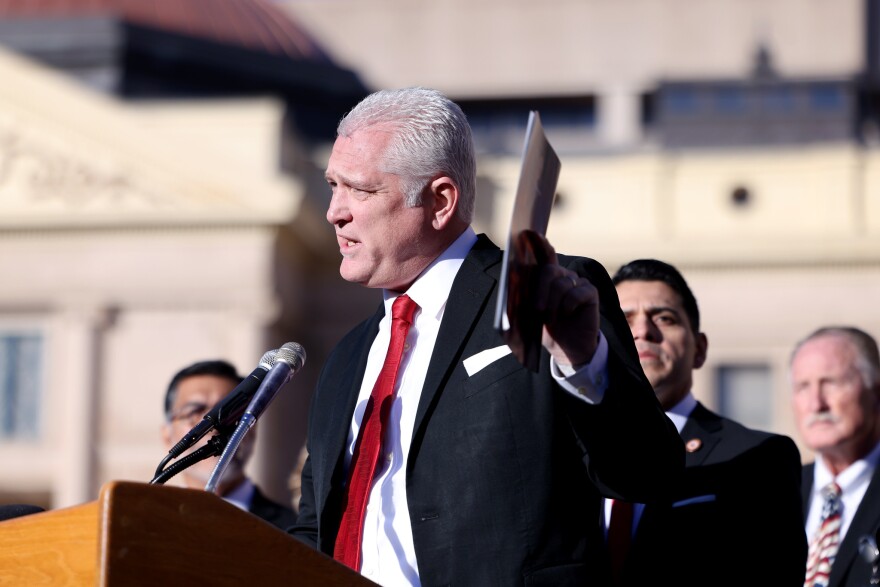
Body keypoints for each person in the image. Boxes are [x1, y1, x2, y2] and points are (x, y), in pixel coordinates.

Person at [288, 86, 684, 586]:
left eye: (360, 190)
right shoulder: (348, 355)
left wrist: (584, 362)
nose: (334, 212)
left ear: (440, 201)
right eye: (332, 185)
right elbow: (314, 528)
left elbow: (646, 473)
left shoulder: (548, 297)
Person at [610, 258, 807, 586]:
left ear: (699, 349)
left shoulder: (761, 458)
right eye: (624, 320)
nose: (643, 330)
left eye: (664, 317)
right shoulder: (567, 458)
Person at [161, 359, 297, 531]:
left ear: (252, 430)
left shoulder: (294, 532)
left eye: (232, 412)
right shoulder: (144, 523)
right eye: (195, 412)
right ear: (166, 435)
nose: (215, 428)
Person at [791, 326, 880, 587]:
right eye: (802, 387)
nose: (816, 404)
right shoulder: (773, 492)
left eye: (831, 383)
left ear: (875, 391)